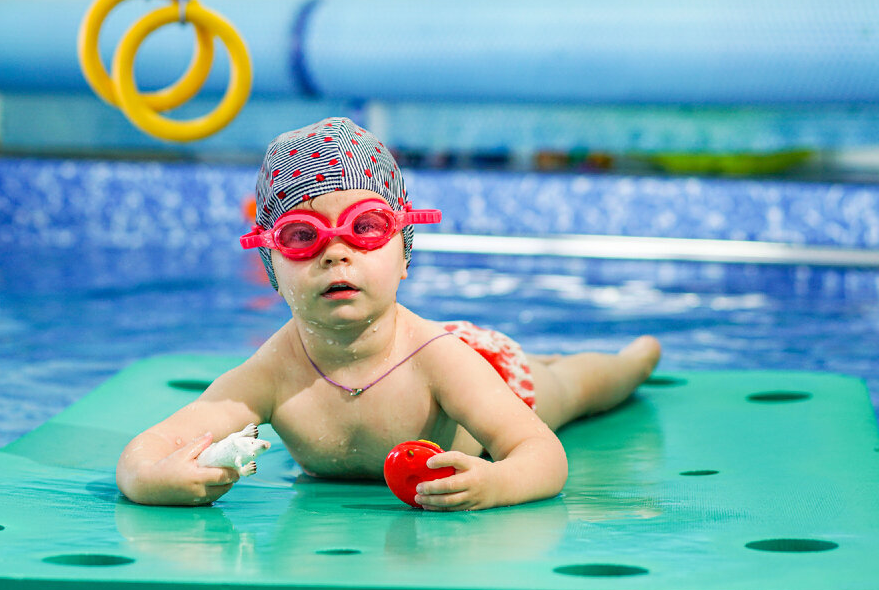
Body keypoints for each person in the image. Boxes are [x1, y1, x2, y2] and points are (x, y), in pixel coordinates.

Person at [116, 117, 660, 511]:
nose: (336, 252)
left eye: (365, 228)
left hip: (495, 375)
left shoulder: (440, 360)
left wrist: (496, 483)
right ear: (271, 267)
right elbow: (148, 449)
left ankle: (630, 363)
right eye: (302, 237)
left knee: (571, 388)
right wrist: (152, 478)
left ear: (404, 254)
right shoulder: (270, 373)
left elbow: (543, 454)